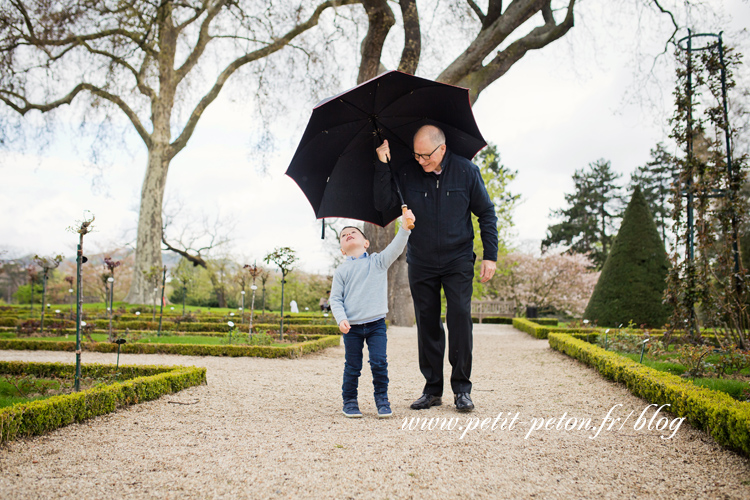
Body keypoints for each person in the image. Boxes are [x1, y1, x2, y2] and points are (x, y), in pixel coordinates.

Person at [374, 124, 498, 413]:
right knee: (428, 324)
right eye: (416, 155)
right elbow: (382, 204)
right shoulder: (405, 172)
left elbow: (487, 213)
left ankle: (462, 390)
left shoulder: (467, 171)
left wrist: (490, 256)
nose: (420, 161)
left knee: (458, 320)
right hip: (421, 260)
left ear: (442, 148)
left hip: (458, 260)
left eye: (425, 155)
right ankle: (432, 390)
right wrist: (383, 164)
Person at [329, 210, 414, 418]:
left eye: (353, 232)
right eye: (344, 235)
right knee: (353, 366)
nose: (348, 234)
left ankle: (382, 399)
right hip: (352, 327)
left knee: (379, 362)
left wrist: (404, 228)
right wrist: (341, 319)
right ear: (342, 249)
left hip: (376, 325)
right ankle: (349, 401)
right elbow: (335, 299)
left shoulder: (377, 262)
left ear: (366, 243)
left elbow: (395, 249)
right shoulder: (341, 272)